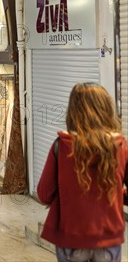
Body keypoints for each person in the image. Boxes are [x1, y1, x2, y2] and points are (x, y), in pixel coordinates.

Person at [37, 83, 128, 262]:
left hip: (70, 237)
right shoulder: (120, 147)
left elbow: (44, 194)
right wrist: (117, 191)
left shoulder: (61, 146)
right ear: (106, 109)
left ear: (73, 111)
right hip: (108, 238)